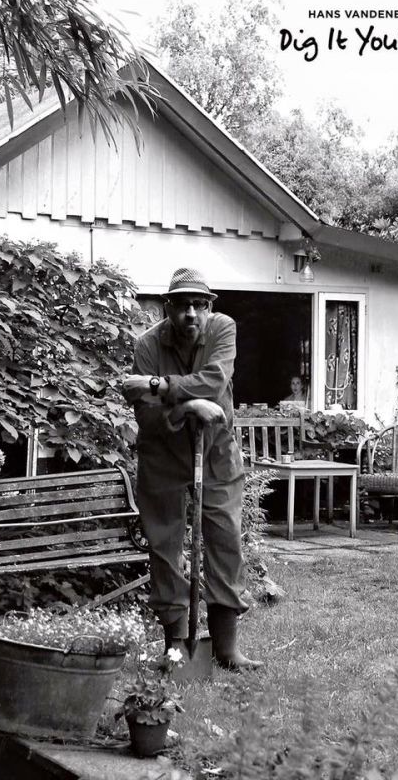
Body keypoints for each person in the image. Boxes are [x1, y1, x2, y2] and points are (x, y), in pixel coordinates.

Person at [123, 267, 262, 671]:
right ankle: (176, 647)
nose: (191, 313)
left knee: (225, 539)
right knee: (164, 545)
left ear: (209, 308)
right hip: (163, 454)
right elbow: (148, 416)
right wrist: (188, 406)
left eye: (200, 305)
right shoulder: (147, 345)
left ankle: (225, 647)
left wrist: (158, 386)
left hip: (216, 452)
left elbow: (215, 383)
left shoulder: (223, 329)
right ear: (167, 307)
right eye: (182, 304)